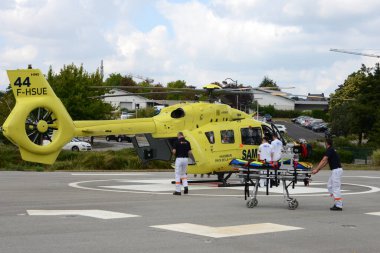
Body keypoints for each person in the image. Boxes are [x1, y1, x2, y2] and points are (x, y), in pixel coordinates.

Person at [312, 139, 343, 211]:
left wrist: (316, 169)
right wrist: (318, 170)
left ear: (327, 144)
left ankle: (339, 205)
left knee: (335, 188)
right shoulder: (332, 150)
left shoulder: (330, 150)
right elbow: (326, 162)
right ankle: (337, 201)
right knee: (329, 186)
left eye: (325, 143)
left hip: (336, 171)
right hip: (335, 171)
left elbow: (324, 160)